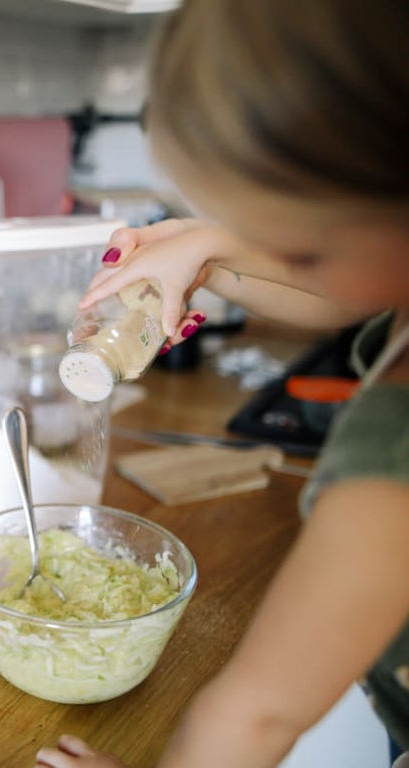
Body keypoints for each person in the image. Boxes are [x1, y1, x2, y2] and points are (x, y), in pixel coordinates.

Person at [36, 1, 409, 767]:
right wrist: (211, 255)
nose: (273, 255)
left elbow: (257, 716)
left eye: (295, 245)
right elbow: (350, 288)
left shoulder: (393, 452)